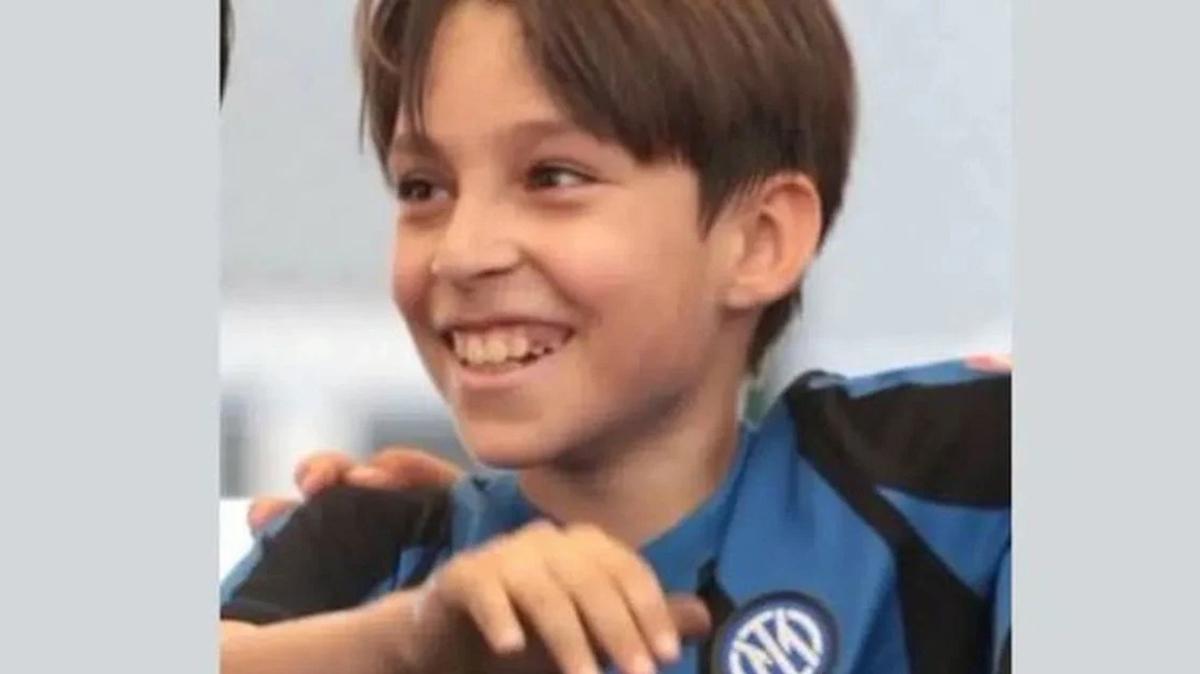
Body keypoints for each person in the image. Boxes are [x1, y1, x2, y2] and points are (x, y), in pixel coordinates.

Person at [219, 1, 1011, 673]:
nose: (461, 252)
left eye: (553, 177)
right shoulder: (366, 547)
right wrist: (410, 646)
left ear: (759, 240)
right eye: (423, 188)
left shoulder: (957, 476)